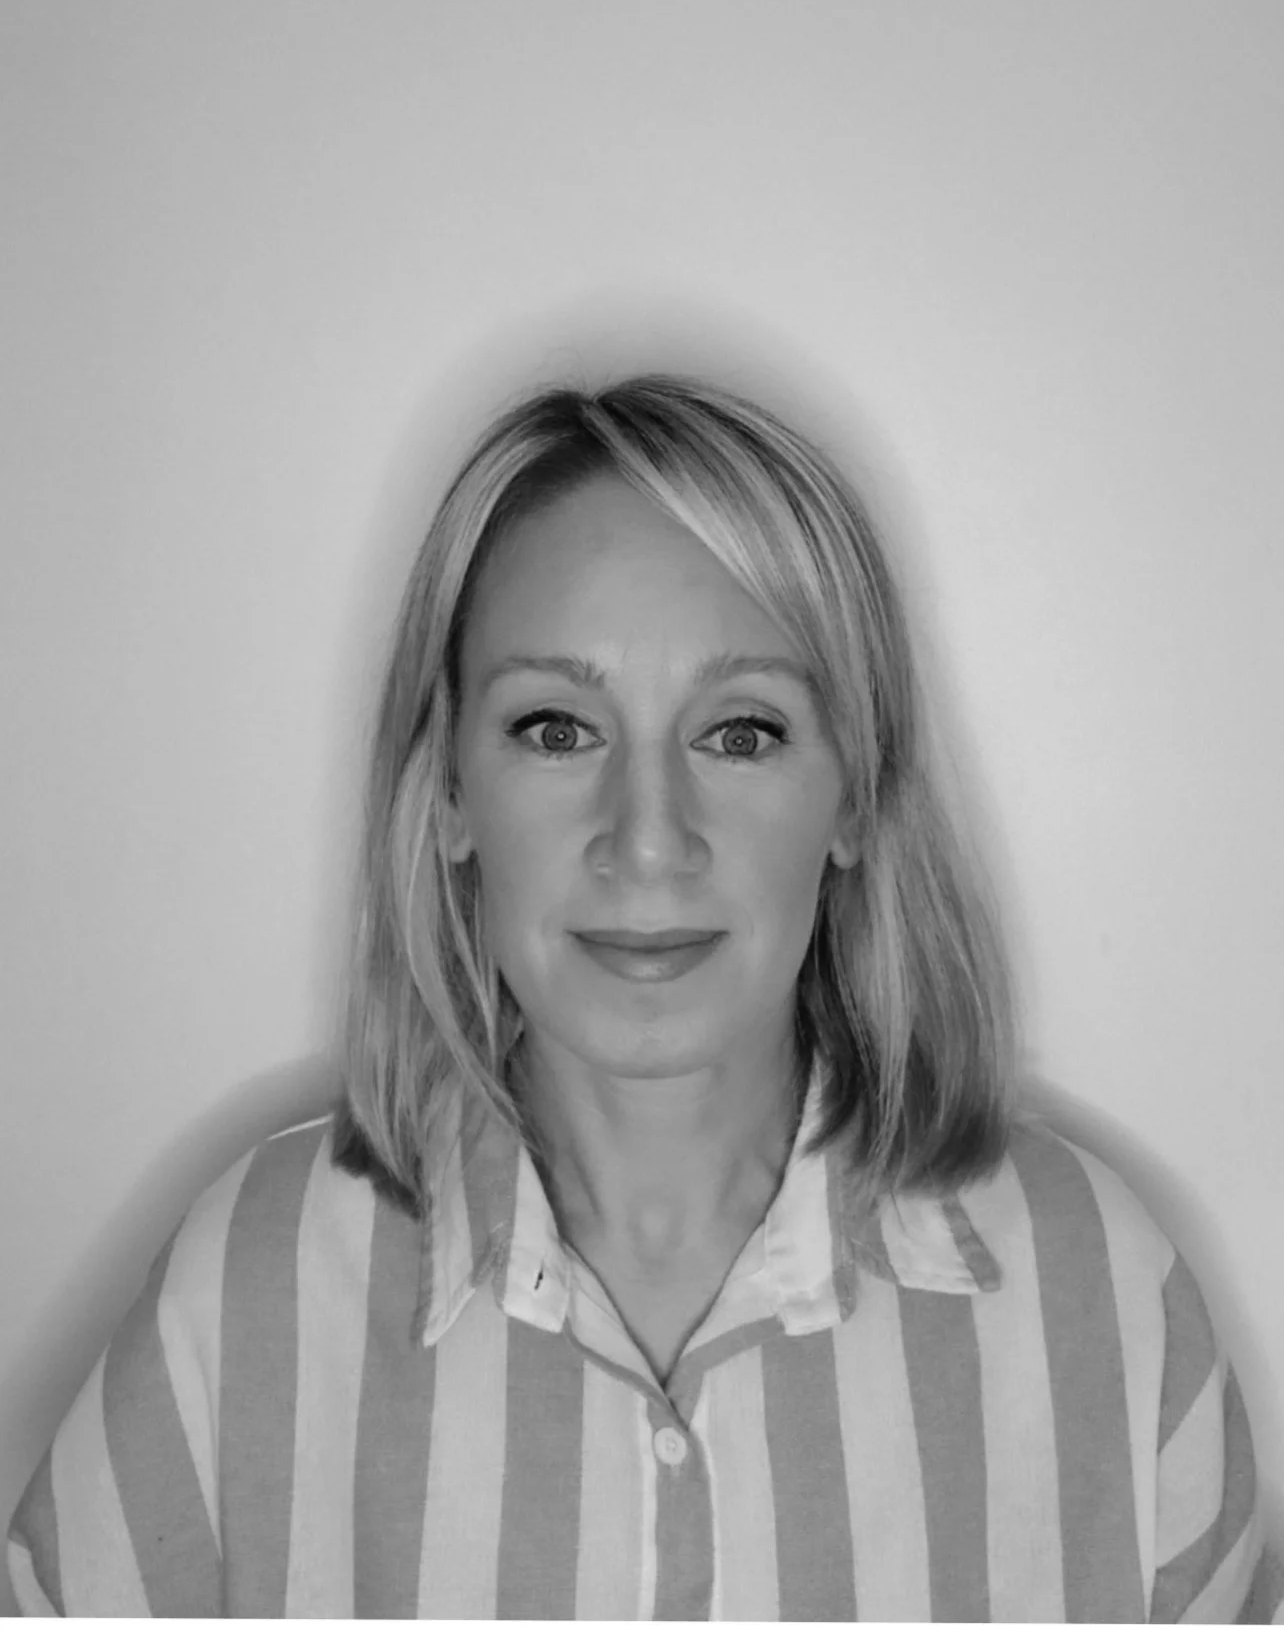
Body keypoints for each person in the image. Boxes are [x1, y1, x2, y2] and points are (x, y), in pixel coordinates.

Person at [7, 373, 1281, 1620]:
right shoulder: (248, 1293)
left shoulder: (1103, 1297)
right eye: (558, 727)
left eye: (743, 730)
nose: (650, 838)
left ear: (854, 795)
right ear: (448, 790)